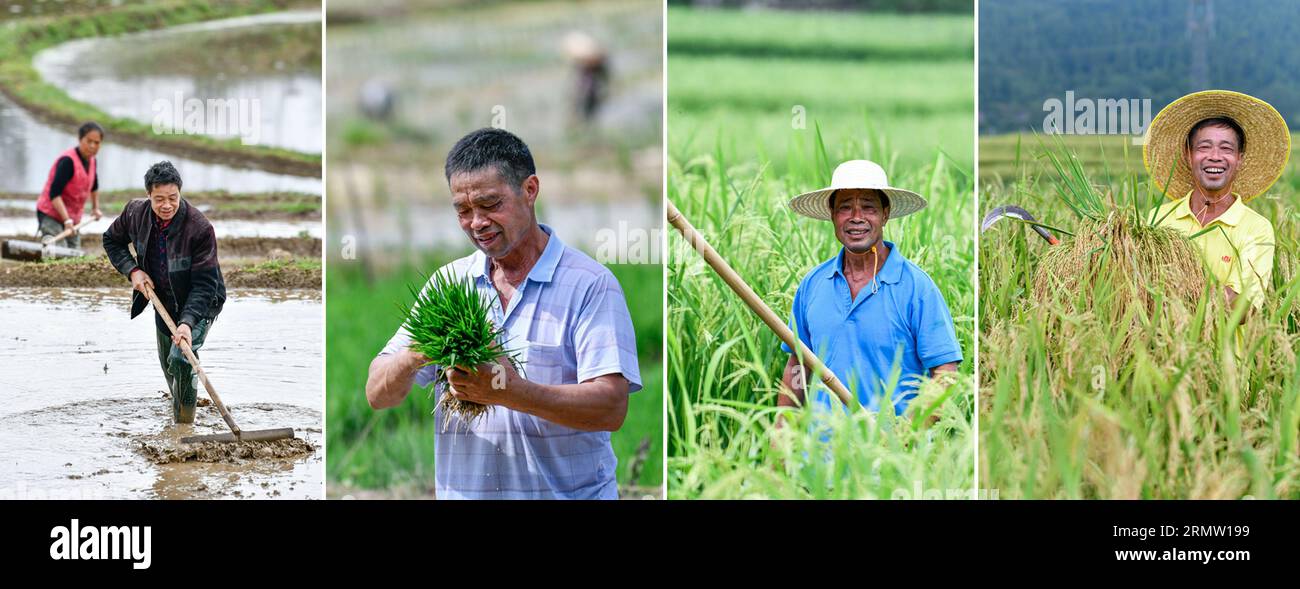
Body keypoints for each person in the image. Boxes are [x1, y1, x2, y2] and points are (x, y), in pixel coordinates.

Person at [365, 128, 641, 499]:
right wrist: (418, 353)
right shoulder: (449, 285)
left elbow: (610, 406)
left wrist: (508, 391)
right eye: (463, 211)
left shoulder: (590, 285)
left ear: (530, 190)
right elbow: (378, 393)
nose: (476, 222)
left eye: (490, 205)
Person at [778, 159, 962, 418]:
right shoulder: (813, 284)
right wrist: (780, 433)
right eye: (845, 208)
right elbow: (798, 365)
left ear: (885, 214)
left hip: (893, 454)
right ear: (832, 214)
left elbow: (945, 374)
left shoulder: (916, 287)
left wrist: (908, 434)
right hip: (820, 455)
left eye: (868, 207)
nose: (856, 218)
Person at [103, 161, 226, 424]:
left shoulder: (200, 228)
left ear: (180, 193)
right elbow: (111, 240)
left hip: (200, 301)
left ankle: (184, 426)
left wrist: (187, 323)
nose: (167, 205)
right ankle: (181, 406)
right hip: (162, 300)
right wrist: (133, 270)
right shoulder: (135, 213)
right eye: (159, 199)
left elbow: (205, 285)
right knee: (168, 366)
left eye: (173, 198)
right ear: (149, 196)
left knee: (181, 358)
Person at [1144, 90, 1286, 310]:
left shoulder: (1256, 229)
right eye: (1204, 147)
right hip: (1165, 344)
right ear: (1188, 155)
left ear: (1239, 159)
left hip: (1225, 345)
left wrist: (1179, 285)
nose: (1215, 156)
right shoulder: (1157, 219)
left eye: (1226, 149)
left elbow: (1242, 307)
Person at [35, 121, 104, 247]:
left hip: (72, 218)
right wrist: (67, 220)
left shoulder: (92, 161)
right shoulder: (68, 161)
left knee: (74, 254)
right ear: (80, 139)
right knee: (58, 252)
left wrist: (95, 208)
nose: (93, 146)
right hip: (51, 214)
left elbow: (94, 185)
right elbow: (54, 194)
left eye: (97, 143)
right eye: (89, 141)